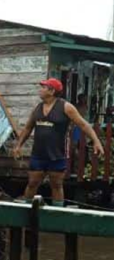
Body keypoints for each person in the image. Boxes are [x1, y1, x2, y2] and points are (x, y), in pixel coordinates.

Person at [13, 78, 104, 206]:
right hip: (38, 154)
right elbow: (28, 128)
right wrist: (18, 146)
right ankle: (26, 211)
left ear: (51, 91)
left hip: (57, 154)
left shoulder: (66, 107)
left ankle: (57, 213)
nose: (40, 90)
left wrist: (96, 141)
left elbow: (83, 125)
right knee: (32, 183)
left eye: (43, 88)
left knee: (56, 185)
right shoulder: (38, 108)